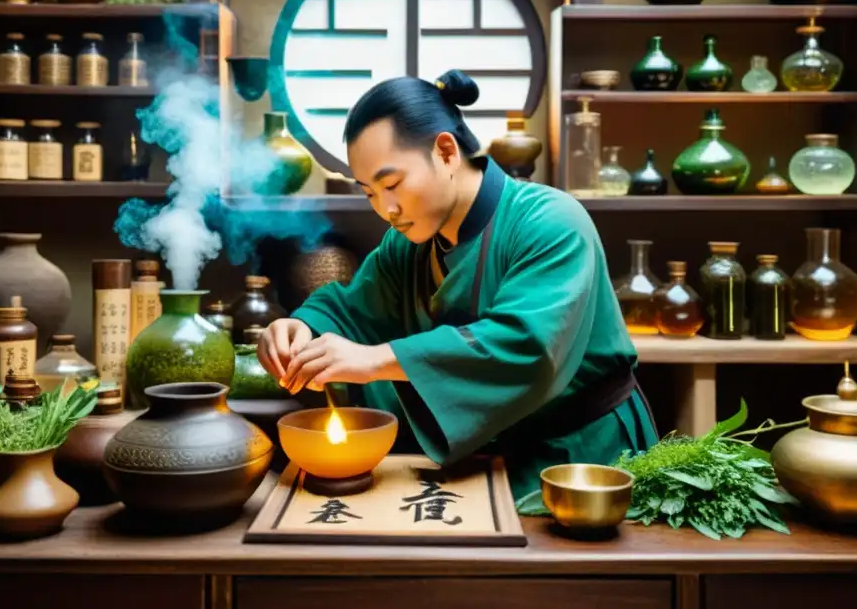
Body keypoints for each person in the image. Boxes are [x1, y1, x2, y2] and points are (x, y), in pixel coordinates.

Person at [257, 68, 658, 499]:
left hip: (580, 457)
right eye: (369, 192)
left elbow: (525, 345)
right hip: (482, 454)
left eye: (392, 183)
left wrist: (374, 360)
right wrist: (301, 329)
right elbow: (354, 309)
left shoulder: (551, 221)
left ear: (446, 151)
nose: (385, 209)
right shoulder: (408, 243)